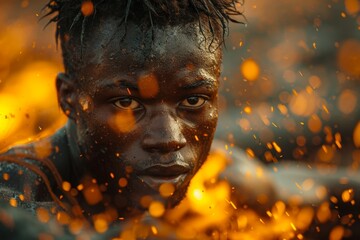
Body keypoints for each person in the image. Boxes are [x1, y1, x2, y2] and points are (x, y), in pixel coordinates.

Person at [0, 0, 359, 239]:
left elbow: (319, 194)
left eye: (192, 100)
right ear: (69, 99)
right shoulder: (17, 192)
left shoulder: (212, 181)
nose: (170, 138)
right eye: (127, 102)